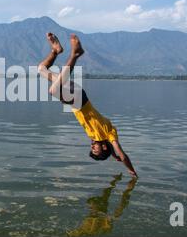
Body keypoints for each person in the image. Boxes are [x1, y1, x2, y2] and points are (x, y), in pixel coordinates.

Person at [38, 33, 138, 178]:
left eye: (92, 148)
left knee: (41, 69)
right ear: (104, 146)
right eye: (95, 149)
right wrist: (130, 169)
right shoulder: (110, 136)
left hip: (75, 100)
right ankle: (75, 55)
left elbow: (113, 152)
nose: (92, 146)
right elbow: (122, 154)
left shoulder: (96, 137)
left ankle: (56, 51)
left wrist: (112, 155)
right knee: (53, 90)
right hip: (80, 100)